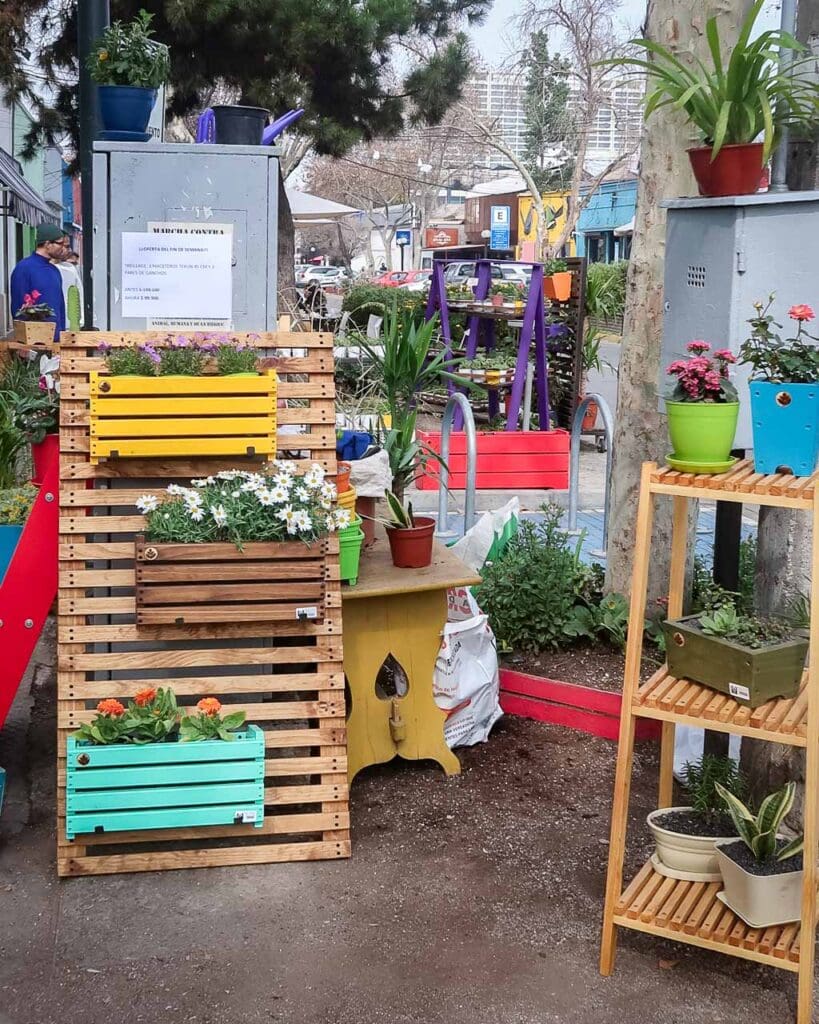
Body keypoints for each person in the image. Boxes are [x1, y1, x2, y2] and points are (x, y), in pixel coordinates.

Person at [10, 223, 69, 341]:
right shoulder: (24, 268)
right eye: (60, 243)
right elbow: (18, 307)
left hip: (56, 341)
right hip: (33, 340)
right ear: (47, 244)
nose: (63, 248)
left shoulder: (54, 270)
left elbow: (60, 307)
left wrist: (62, 336)